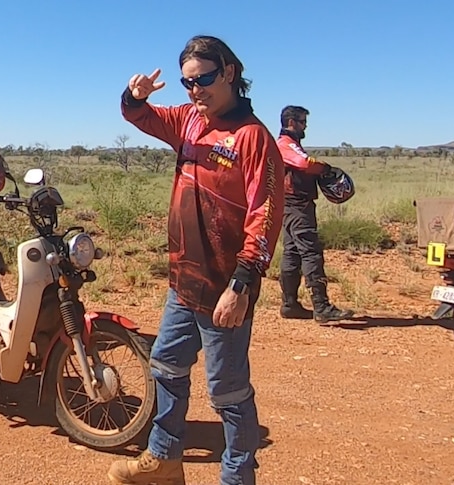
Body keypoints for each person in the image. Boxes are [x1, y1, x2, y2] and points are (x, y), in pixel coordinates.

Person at [107, 35, 284, 485]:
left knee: (227, 391)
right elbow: (139, 116)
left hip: (226, 287)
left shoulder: (253, 137)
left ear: (228, 73)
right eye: (188, 83)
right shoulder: (188, 119)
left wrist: (242, 285)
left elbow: (264, 218)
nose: (195, 91)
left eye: (203, 79)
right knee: (165, 363)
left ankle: (237, 478)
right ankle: (164, 460)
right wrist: (135, 95)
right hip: (184, 280)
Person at [276, 105, 354, 323]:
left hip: (292, 205)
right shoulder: (285, 144)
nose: (305, 126)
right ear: (291, 122)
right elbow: (304, 163)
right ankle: (322, 307)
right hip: (297, 205)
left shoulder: (291, 144)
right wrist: (325, 168)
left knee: (292, 253)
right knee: (311, 252)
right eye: (302, 121)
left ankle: (290, 304)